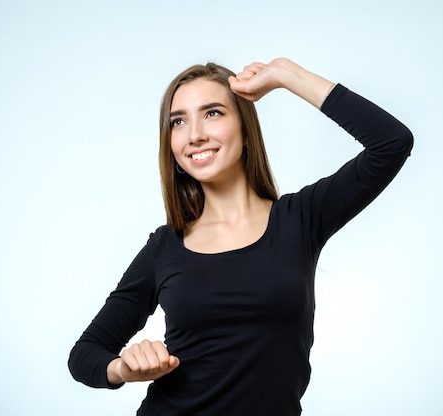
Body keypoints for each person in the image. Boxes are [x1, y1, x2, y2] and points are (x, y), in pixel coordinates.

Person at [68, 57, 413, 415]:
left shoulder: (300, 219)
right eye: (178, 121)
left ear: (246, 132)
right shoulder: (164, 247)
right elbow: (85, 354)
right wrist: (122, 368)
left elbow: (391, 143)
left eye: (213, 113)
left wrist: (286, 75)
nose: (195, 133)